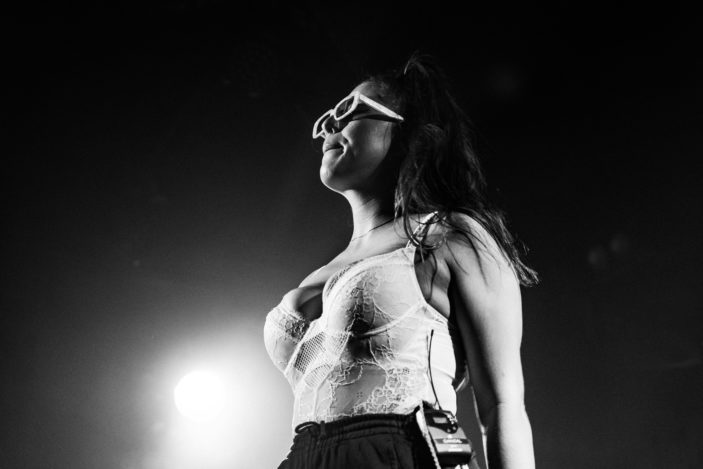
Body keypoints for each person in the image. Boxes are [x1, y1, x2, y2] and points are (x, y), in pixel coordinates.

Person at [263, 53, 538, 469]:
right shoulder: (324, 269)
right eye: (328, 117)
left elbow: (503, 404)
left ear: (408, 132)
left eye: (350, 110)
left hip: (406, 451)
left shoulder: (447, 235)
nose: (330, 126)